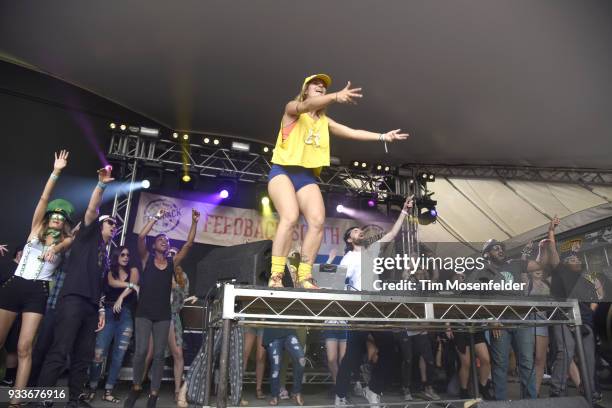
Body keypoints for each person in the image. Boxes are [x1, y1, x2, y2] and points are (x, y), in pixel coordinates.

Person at [267, 74, 408, 289]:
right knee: (290, 216)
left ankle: (304, 276)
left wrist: (382, 137)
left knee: (317, 221)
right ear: (305, 89)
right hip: (282, 171)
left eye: (324, 86)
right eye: (316, 84)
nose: (321, 87)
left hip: (305, 176)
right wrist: (335, 96)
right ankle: (276, 276)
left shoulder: (324, 122)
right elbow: (308, 105)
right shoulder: (293, 109)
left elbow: (352, 132)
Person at [0, 151, 75, 407]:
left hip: (37, 291)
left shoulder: (66, 240)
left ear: (64, 223)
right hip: (15, 286)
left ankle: (16, 402)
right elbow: (44, 198)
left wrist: (56, 246)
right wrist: (56, 171)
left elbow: (65, 244)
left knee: (24, 348)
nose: (56, 218)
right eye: (53, 215)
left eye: (61, 217)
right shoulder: (34, 229)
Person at [36, 165, 115, 407]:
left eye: (115, 225)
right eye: (110, 223)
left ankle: (75, 399)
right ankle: (42, 400)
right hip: (72, 299)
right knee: (60, 351)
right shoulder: (86, 235)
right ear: (100, 225)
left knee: (83, 356)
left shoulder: (105, 253)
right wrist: (101, 185)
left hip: (91, 306)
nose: (114, 226)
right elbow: (92, 209)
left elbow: (101, 285)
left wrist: (101, 309)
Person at [334, 198, 413, 406]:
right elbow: (339, 283)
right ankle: (340, 395)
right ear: (350, 240)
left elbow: (392, 234)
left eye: (360, 230)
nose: (360, 232)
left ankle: (373, 389)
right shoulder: (348, 259)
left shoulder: (373, 251)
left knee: (389, 349)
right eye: (355, 232)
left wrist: (404, 212)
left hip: (377, 309)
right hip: (358, 309)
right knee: (352, 356)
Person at [124, 208, 199, 408]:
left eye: (167, 240)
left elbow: (189, 244)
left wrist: (194, 222)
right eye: (161, 239)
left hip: (163, 315)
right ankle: (136, 386)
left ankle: (154, 393)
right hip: (144, 313)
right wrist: (156, 218)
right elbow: (141, 236)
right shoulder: (146, 259)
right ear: (154, 244)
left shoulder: (171, 263)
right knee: (140, 353)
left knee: (158, 355)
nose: (165, 241)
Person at [547, 217, 601, 404]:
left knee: (589, 359)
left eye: (577, 258)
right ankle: (557, 392)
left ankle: (589, 394)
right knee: (566, 352)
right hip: (564, 317)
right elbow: (553, 252)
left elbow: (596, 298)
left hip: (584, 320)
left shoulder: (585, 279)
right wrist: (551, 232)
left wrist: (591, 312)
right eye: (571, 258)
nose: (575, 259)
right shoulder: (560, 270)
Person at [87, 246, 140, 403]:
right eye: (122, 254)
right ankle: (92, 387)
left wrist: (121, 298)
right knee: (98, 353)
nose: (125, 257)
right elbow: (113, 283)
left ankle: (108, 390)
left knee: (118, 355)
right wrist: (130, 286)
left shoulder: (134, 270)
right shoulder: (111, 272)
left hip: (126, 315)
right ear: (117, 256)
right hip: (109, 314)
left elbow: (134, 284)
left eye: (128, 254)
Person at [262, 328, 306, 406]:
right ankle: (274, 395)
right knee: (275, 367)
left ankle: (297, 392)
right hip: (272, 332)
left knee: (301, 359)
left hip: (288, 330)